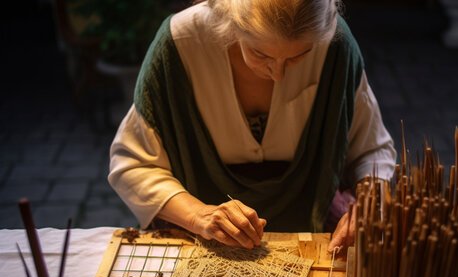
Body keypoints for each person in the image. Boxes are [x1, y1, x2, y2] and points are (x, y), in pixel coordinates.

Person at [108, 0, 396, 253]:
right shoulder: (180, 43)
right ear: (231, 23)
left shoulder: (335, 44)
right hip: (203, 231)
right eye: (261, 54)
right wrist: (200, 216)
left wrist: (370, 203)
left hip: (310, 210)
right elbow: (131, 165)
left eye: (299, 56)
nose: (279, 75)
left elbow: (372, 149)